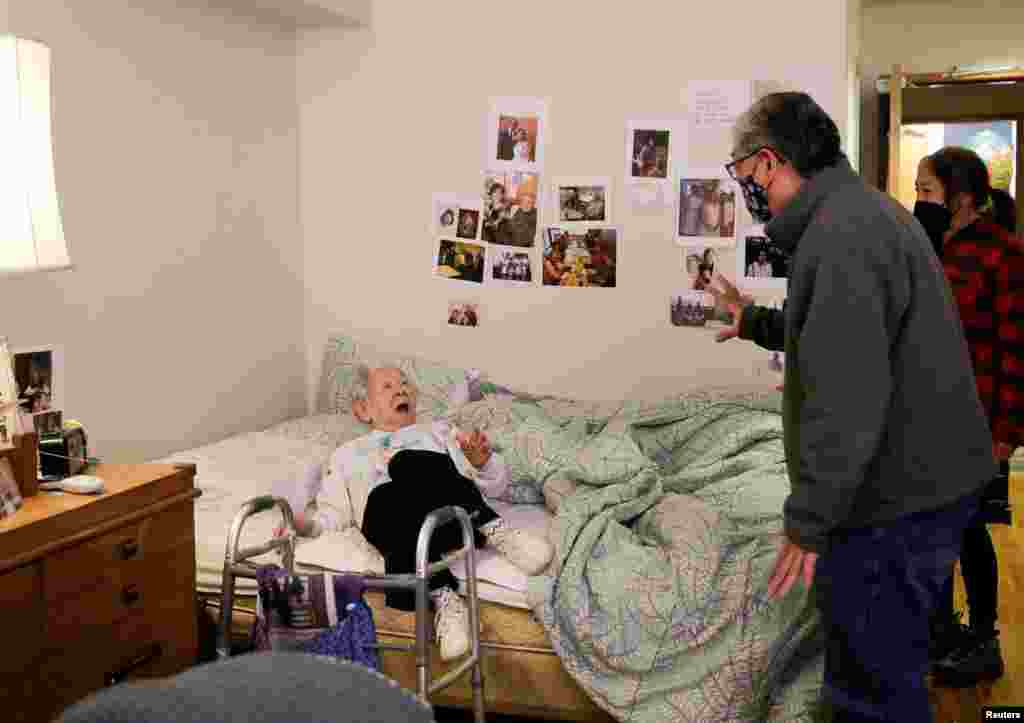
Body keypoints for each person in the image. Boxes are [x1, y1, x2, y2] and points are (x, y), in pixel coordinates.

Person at [707, 91, 995, 723]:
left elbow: (847, 396)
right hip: (924, 489)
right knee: (888, 675)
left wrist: (808, 520)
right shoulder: (852, 214)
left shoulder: (842, 234)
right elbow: (837, 333)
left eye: (742, 175)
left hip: (898, 504)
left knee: (870, 694)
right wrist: (754, 321)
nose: (745, 191)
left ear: (769, 163)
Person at [276, 366, 554, 662]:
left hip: (454, 519)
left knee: (405, 462)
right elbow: (334, 514)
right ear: (363, 409)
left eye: (405, 384)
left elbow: (490, 486)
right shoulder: (346, 454)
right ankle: (445, 601)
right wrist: (305, 525)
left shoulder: (436, 432)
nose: (400, 389)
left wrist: (482, 463)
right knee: (383, 496)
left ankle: (497, 531)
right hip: (401, 534)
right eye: (387, 386)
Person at [914, 146, 1021, 687]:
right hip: (927, 416)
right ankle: (941, 630)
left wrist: (1006, 434)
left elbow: (1015, 350)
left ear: (960, 194)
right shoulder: (933, 248)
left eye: (927, 191)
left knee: (970, 529)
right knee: (932, 528)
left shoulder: (1002, 253)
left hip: (978, 423)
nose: (918, 201)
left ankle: (985, 641)